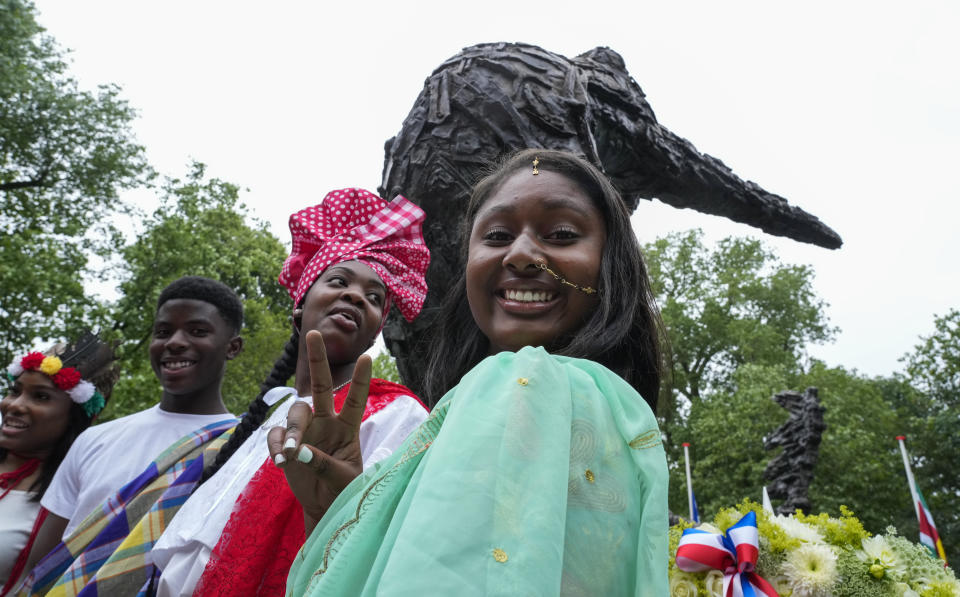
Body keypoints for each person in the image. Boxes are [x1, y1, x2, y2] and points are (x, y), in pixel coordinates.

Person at [275, 149, 669, 596]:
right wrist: (339, 513)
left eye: (561, 234)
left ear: (610, 266)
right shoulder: (468, 409)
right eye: (497, 236)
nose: (521, 255)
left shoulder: (526, 383)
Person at [149, 188, 432, 597]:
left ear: (375, 332)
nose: (356, 296)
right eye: (338, 281)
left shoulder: (398, 415)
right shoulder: (268, 414)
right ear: (300, 304)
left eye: (374, 298)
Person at [16, 276, 244, 596]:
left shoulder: (244, 448)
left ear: (232, 347)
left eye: (197, 331)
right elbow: (41, 566)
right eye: (163, 332)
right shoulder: (95, 440)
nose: (174, 342)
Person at [0, 332, 117, 597]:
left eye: (40, 397)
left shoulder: (72, 501)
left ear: (73, 417)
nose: (14, 405)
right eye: (14, 392)